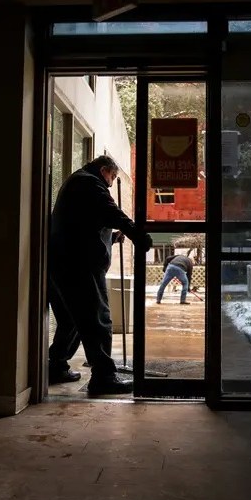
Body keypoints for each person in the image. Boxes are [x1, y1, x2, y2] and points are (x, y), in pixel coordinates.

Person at [48, 155, 153, 396]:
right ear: (104, 170)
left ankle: (56, 366)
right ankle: (104, 377)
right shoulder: (89, 183)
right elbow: (111, 212)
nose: (111, 182)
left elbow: (85, 225)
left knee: (72, 320)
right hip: (80, 266)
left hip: (64, 263)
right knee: (98, 319)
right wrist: (138, 235)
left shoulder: (77, 182)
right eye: (113, 177)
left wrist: (111, 238)